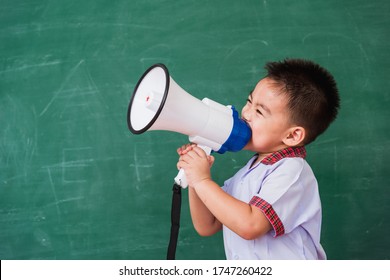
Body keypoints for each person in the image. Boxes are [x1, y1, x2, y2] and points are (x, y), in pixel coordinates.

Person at [176, 58, 340, 260]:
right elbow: (207, 225)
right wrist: (195, 178)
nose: (246, 113)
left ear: (292, 135)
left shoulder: (292, 171)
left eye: (259, 111)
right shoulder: (247, 174)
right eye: (249, 101)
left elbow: (250, 225)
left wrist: (203, 181)